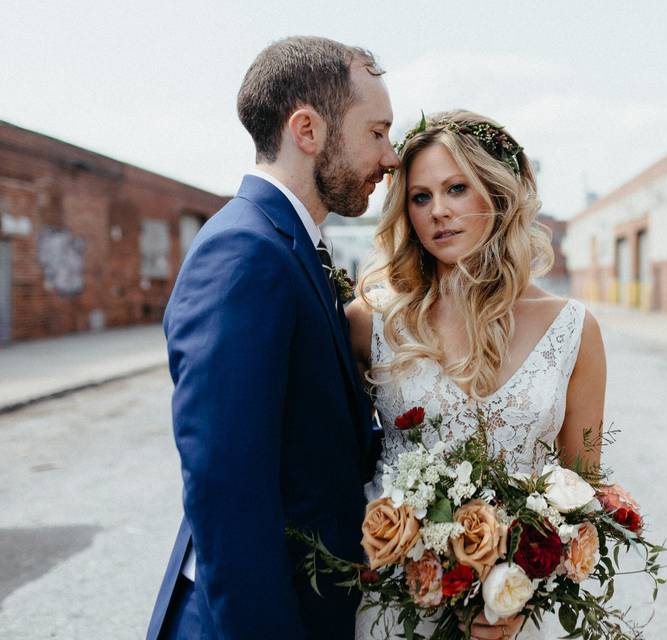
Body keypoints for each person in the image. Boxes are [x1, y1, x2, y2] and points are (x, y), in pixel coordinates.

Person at [146, 36, 399, 639]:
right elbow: (227, 492)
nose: (391, 158)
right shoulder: (244, 251)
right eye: (377, 132)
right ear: (307, 130)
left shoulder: (287, 242)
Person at [346, 111, 607, 640]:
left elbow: (583, 494)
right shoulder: (371, 322)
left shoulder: (573, 330)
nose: (438, 212)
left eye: (456, 189)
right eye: (420, 197)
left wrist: (522, 592)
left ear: (498, 194)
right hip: (399, 607)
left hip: (510, 618)